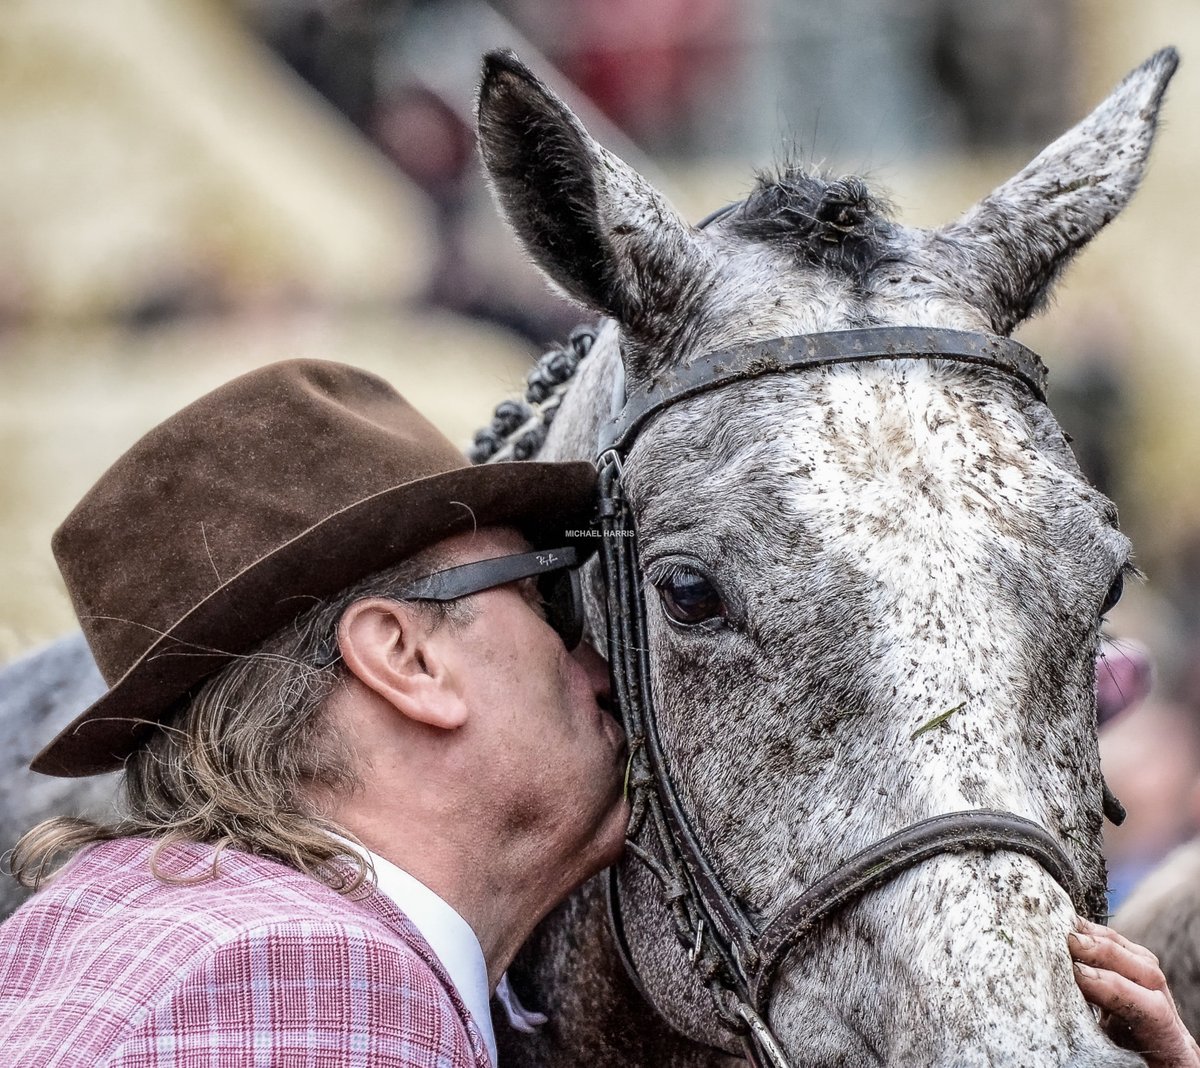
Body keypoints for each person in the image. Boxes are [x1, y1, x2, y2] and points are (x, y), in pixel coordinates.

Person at [0, 358, 1192, 1066]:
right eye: (543, 590)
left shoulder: (120, 928)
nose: (601, 649)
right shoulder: (301, 984)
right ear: (406, 655)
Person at [0, 359, 629, 1065]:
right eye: (546, 600)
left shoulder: (78, 932)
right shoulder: (316, 980)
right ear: (405, 657)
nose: (600, 670)